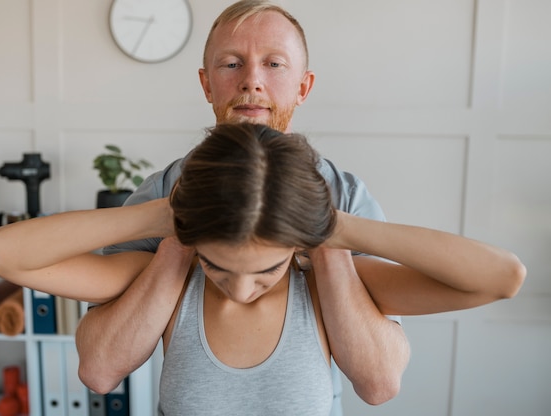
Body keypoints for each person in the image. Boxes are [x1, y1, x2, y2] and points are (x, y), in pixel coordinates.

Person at [0, 123, 526, 415]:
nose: (241, 288)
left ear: (297, 250)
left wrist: (339, 229)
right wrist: (164, 214)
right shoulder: (165, 276)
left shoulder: (327, 284)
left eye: (266, 271)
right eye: (218, 267)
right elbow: (1, 255)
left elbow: (502, 277)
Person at [76, 1, 411, 409]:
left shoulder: (348, 199)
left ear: (303, 87)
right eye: (232, 64)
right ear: (206, 84)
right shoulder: (159, 194)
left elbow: (378, 382)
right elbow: (100, 369)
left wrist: (325, 245)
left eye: (274, 64)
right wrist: (181, 237)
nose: (252, 81)